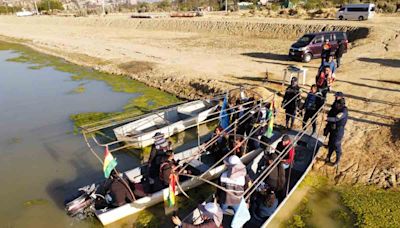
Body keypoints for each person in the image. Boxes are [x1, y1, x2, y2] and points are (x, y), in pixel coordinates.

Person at [324, 92, 348, 166]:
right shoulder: (335, 105)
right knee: (331, 142)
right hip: (332, 127)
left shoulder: (344, 110)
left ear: (341, 97)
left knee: (336, 144)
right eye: (336, 96)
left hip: (338, 129)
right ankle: (328, 156)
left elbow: (336, 118)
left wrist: (327, 118)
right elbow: (332, 113)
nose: (336, 97)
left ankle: (337, 160)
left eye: (337, 97)